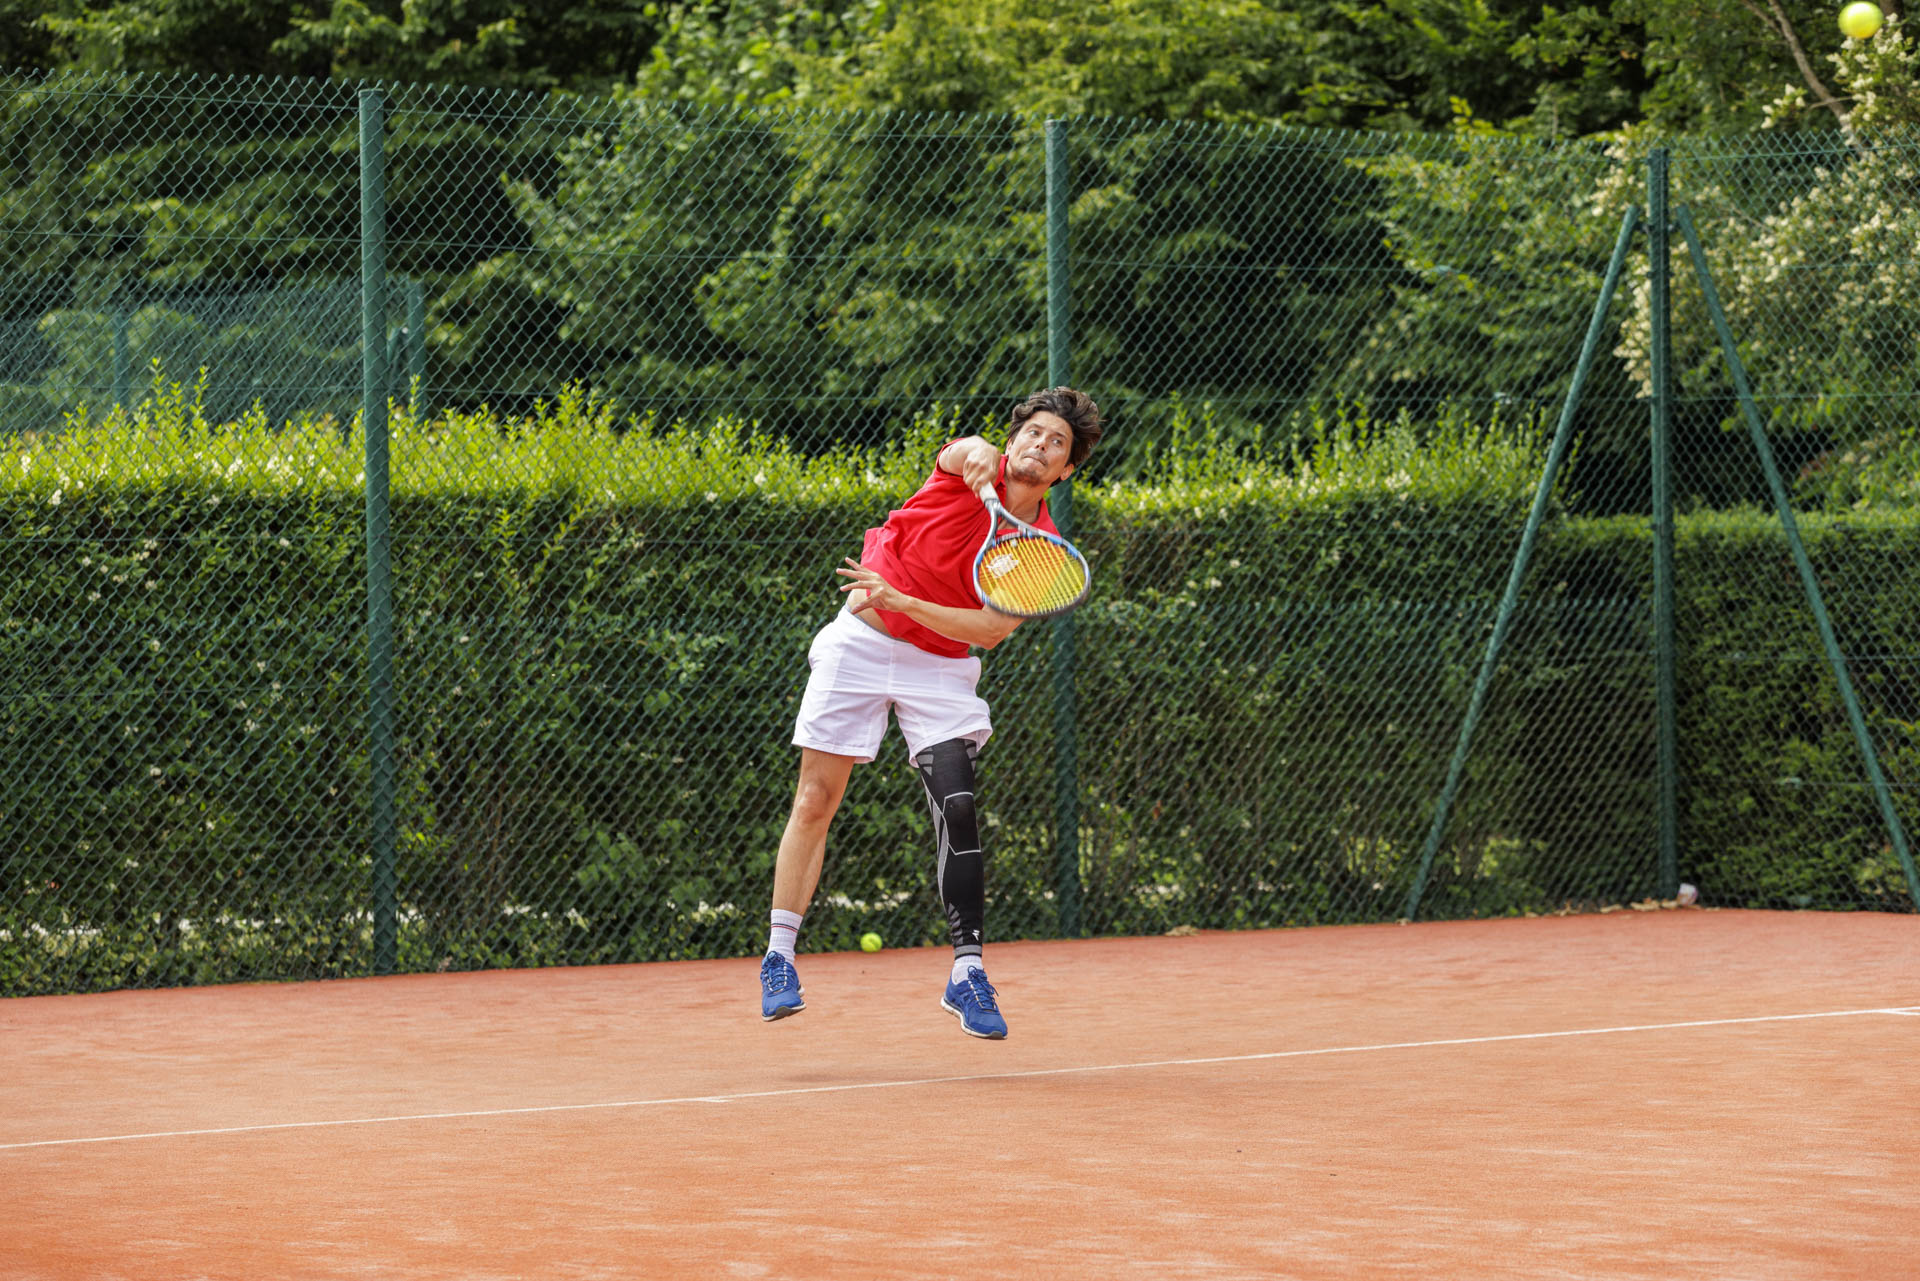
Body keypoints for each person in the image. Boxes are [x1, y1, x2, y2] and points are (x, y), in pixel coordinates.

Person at [758, 386, 1105, 1039]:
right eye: (1033, 433)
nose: (1040, 445)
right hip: (860, 643)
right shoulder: (972, 464)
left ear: (1065, 471)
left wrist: (904, 601)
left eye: (1057, 442)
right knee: (815, 800)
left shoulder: (1041, 547)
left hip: (940, 667)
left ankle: (967, 973)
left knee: (959, 803)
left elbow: (990, 629)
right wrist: (977, 455)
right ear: (1013, 440)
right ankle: (779, 959)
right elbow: (965, 451)